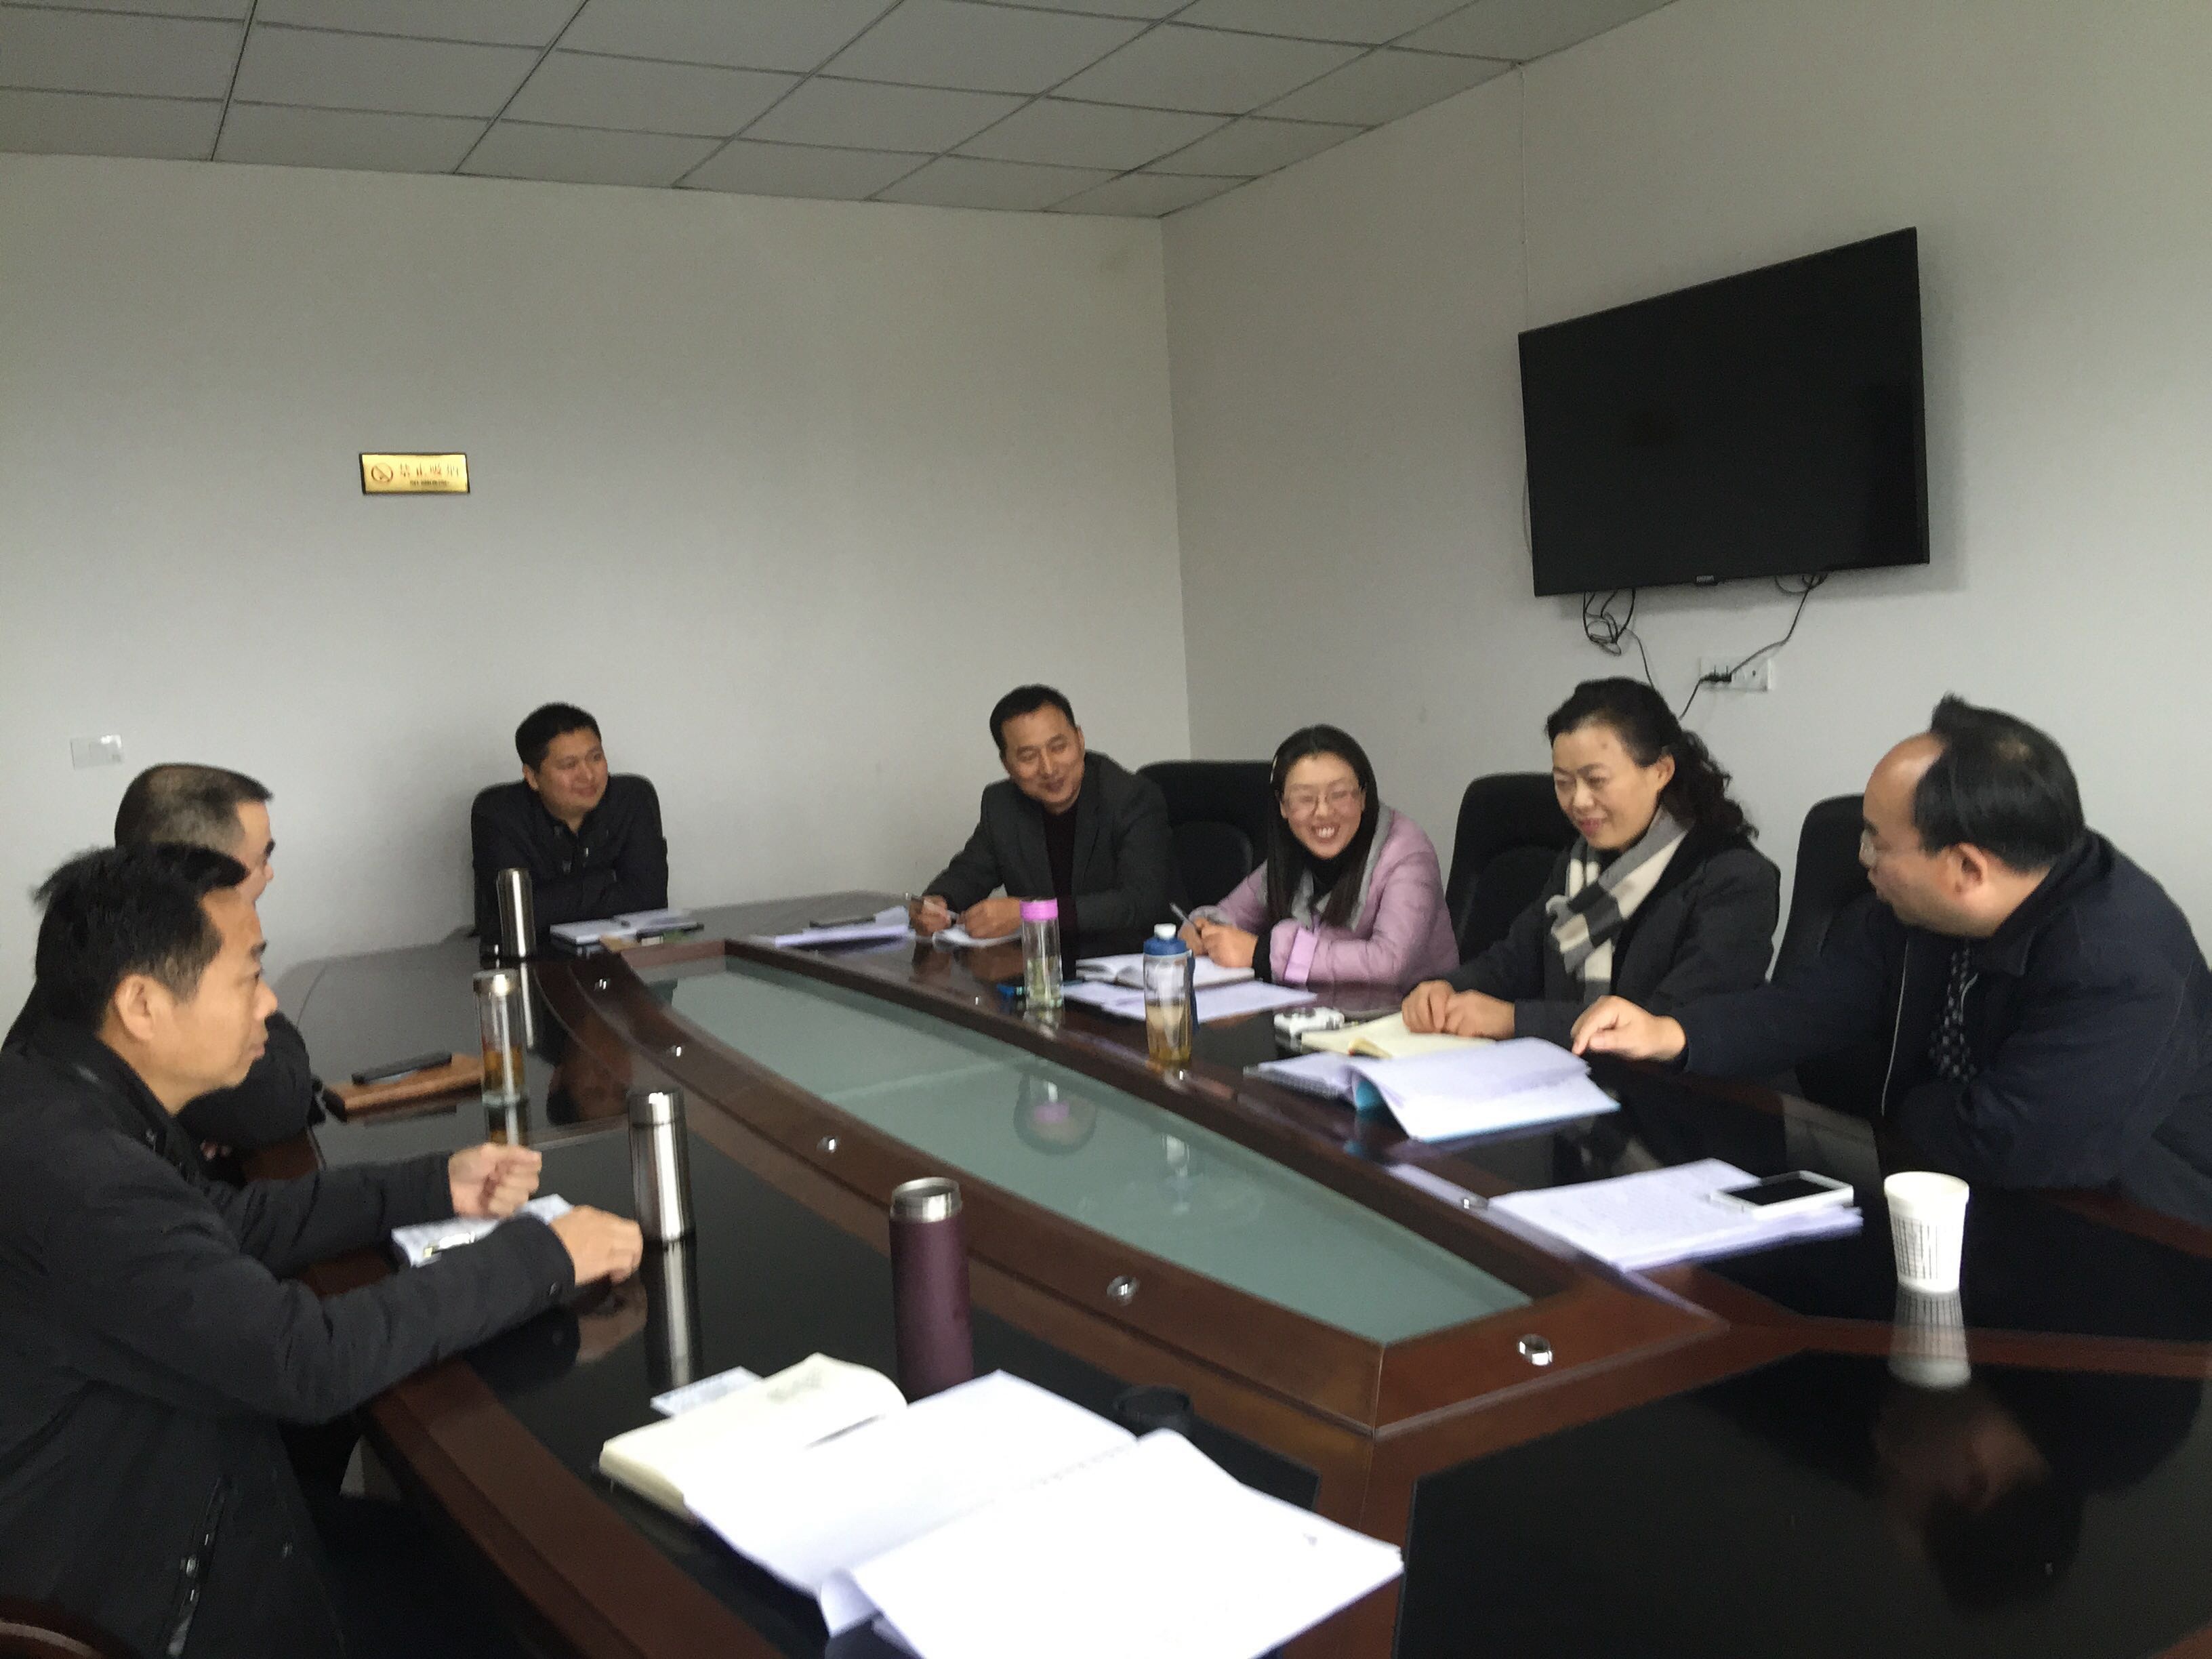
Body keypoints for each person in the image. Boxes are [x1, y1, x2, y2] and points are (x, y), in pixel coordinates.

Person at [0, 844, 642, 1658]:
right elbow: (307, 1361)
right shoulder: (82, 1177)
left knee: (471, 1562)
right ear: (142, 1004)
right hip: (152, 1590)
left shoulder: (54, 1095)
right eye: (248, 977)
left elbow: (225, 1223)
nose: (269, 1003)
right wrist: (542, 1257)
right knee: (525, 1609)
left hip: (168, 1498)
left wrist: (432, 1186)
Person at [1572, 696, 2212, 1220]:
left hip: (2130, 1236)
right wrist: (1673, 1032)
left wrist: (1911, 1105)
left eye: (1878, 843)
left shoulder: (2122, 967)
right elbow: (1816, 1001)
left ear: (1966, 869)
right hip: (1939, 1193)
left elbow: (2005, 1144)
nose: (1862, 860)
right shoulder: (1928, 907)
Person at [1403, 678, 1780, 1045]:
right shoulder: (1581, 863)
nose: (1579, 802)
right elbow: (1515, 961)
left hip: (1677, 1084)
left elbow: (1671, 1022)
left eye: (1596, 780)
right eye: (1563, 782)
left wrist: (1513, 1020)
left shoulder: (1736, 879)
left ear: (1661, 771)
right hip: (1571, 1072)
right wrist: (1446, 988)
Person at [4, 762, 324, 1162]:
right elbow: (276, 1103)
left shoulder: (98, 944)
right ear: (208, 869)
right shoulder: (151, 978)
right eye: (261, 859)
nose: (269, 874)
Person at [1183, 726, 1456, 990]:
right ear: (1283, 806)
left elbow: (1390, 964)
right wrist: (1202, 930)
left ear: (1363, 796)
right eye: (1305, 799)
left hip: (1403, 1013)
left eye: (1339, 795)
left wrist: (1262, 954)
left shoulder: (1407, 852)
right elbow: (1232, 914)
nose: (1323, 812)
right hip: (1316, 1009)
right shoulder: (1294, 849)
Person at [911, 685, 1173, 954]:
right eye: (1028, 757)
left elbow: (1141, 903)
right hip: (1042, 964)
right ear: (1007, 764)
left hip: (1132, 963)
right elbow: (969, 873)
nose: (1048, 769)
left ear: (1080, 739)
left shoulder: (1131, 797)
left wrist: (1032, 913)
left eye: (1058, 747)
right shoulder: (1002, 805)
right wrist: (939, 902)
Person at [472, 702, 668, 938]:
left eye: (596, 758)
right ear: (532, 777)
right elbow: (517, 912)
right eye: (569, 765)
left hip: (624, 951)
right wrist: (607, 880)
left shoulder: (632, 799)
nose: (588, 775)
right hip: (533, 954)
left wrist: (553, 898)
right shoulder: (499, 813)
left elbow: (650, 898)